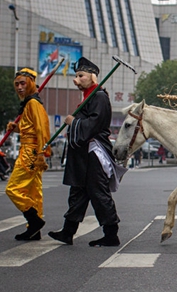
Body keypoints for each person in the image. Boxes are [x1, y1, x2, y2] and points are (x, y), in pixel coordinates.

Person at [48, 57, 126, 247]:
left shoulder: (99, 97)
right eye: (76, 76)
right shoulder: (89, 97)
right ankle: (68, 232)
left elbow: (94, 124)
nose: (77, 79)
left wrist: (73, 122)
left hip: (94, 152)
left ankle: (111, 234)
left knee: (98, 192)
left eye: (81, 75)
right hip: (83, 154)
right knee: (78, 192)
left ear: (92, 77)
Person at [5, 68, 51, 241]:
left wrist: (41, 152)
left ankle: (34, 220)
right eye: (16, 84)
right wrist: (16, 129)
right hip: (31, 149)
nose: (19, 87)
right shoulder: (29, 103)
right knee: (34, 192)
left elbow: (41, 129)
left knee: (13, 189)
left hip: (31, 153)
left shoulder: (33, 103)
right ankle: (33, 229)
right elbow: (30, 130)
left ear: (31, 83)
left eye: (23, 83)